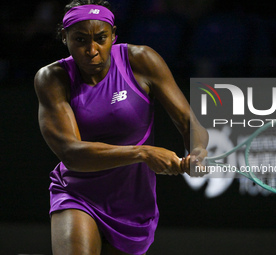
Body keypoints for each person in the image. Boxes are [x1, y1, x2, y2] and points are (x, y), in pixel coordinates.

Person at [34, 0, 208, 254]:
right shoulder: (52, 78)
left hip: (134, 204)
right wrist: (142, 153)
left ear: (114, 35)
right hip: (77, 193)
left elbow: (188, 122)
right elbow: (71, 154)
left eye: (100, 38)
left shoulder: (141, 60)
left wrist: (198, 152)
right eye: (80, 40)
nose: (91, 50)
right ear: (64, 37)